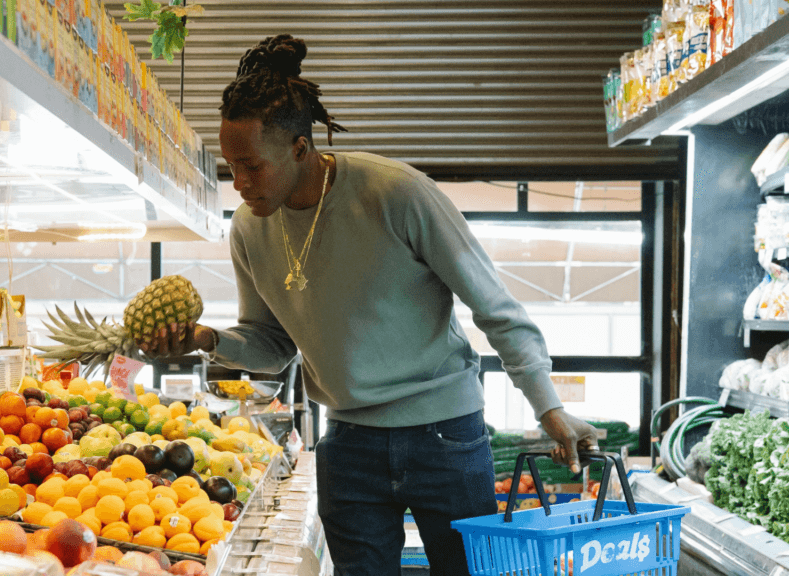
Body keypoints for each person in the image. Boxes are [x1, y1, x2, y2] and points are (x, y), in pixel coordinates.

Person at [140, 34, 600, 576]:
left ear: (298, 148)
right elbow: (273, 347)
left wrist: (548, 407)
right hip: (349, 442)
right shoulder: (248, 228)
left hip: (445, 434)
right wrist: (207, 341)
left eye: (251, 166)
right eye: (230, 167)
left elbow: (497, 309)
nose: (238, 183)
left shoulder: (396, 193)